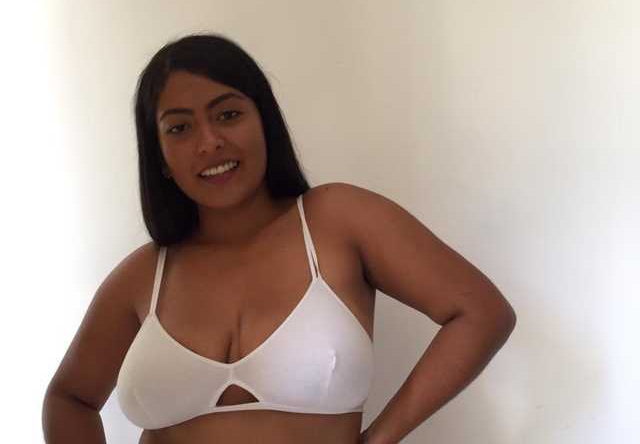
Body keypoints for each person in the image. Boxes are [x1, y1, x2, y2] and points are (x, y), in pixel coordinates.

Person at [42, 33, 516, 444]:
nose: (209, 142)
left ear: (264, 121)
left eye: (227, 114)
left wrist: (379, 440)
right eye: (180, 128)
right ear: (161, 157)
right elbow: (69, 398)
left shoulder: (337, 221)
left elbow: (480, 312)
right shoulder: (144, 276)